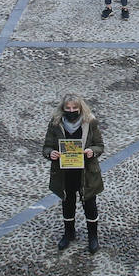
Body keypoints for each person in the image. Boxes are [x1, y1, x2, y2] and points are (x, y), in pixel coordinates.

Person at [43, 94, 105, 252]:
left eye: (75, 108)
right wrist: (51, 154)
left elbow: (100, 145)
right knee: (67, 204)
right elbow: (47, 147)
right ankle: (69, 233)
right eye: (68, 108)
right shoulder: (56, 124)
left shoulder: (90, 122)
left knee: (90, 205)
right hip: (65, 173)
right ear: (63, 109)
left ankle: (93, 237)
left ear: (80, 108)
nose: (71, 111)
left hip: (86, 173)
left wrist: (92, 151)